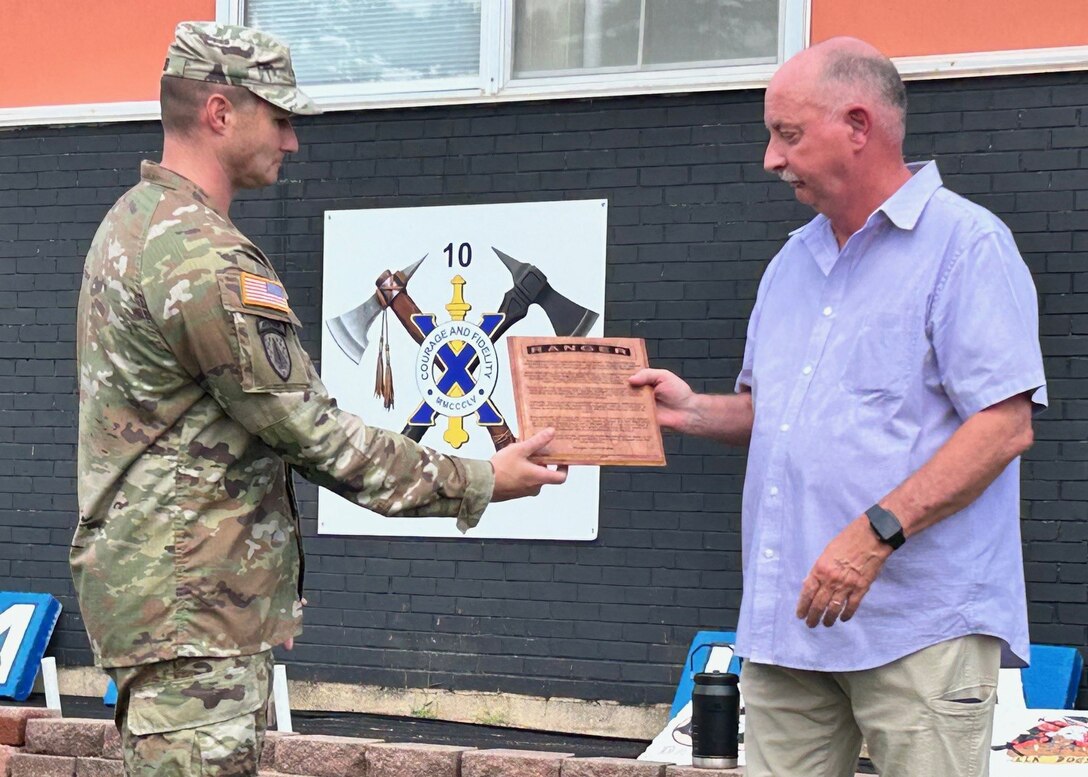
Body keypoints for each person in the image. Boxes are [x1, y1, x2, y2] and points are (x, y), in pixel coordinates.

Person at [71, 22, 566, 776]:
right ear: (219, 112)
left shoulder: (130, 224)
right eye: (281, 116)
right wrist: (483, 479)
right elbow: (313, 433)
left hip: (175, 606)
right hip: (192, 618)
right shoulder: (199, 252)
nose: (293, 141)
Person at [632, 37, 1046, 777]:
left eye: (787, 134)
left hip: (921, 629)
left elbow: (1004, 425)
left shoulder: (968, 246)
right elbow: (776, 417)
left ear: (858, 126)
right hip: (790, 627)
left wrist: (874, 536)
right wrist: (693, 410)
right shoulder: (791, 263)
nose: (770, 158)